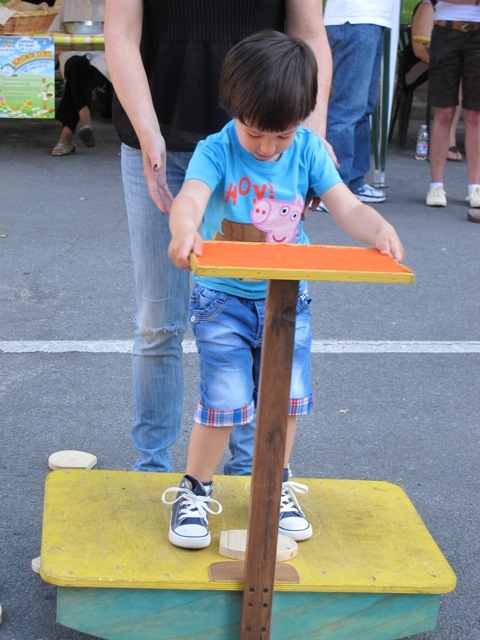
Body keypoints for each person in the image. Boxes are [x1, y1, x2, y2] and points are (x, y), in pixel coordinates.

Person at [162, 30, 404, 550]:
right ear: (234, 107)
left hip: (288, 299)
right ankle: (195, 489)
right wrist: (184, 231)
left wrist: (378, 229)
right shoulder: (216, 150)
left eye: (283, 135)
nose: (268, 147)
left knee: (288, 398)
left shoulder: (309, 149)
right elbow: (192, 198)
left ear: (300, 121)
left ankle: (274, 484)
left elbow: (346, 206)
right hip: (223, 300)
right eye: (256, 134)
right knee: (225, 399)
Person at [104, 0, 333, 475]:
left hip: (264, 131)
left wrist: (303, 139)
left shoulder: (284, 143)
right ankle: (152, 468)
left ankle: (254, 475)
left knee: (263, 320)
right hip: (162, 133)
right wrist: (148, 134)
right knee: (158, 322)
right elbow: (121, 33)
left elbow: (310, 33)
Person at [324, 0, 397, 204]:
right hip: (355, 18)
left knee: (363, 108)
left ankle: (354, 182)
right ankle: (332, 189)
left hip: (371, 19)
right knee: (347, 108)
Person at [424, 0, 480, 222]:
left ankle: (475, 186)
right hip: (446, 30)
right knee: (444, 110)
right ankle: (436, 185)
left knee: (475, 115)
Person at [410, 0, 464, 163]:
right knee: (458, 76)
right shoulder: (429, 6)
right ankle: (448, 140)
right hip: (423, 68)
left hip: (455, 65)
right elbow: (420, 50)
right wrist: (450, 65)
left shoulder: (468, 11)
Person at [50, 52, 111, 156]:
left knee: (76, 78)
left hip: (100, 58)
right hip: (71, 56)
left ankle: (68, 136)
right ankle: (84, 119)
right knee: (77, 65)